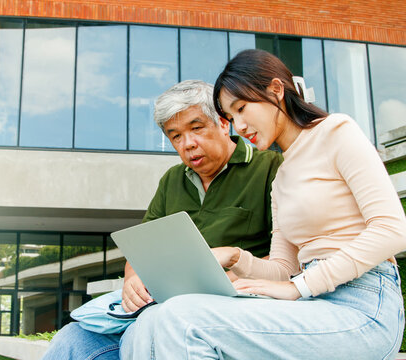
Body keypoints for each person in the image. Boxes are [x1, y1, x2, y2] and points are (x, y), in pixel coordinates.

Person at [120, 49, 406, 359]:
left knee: (183, 320)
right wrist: (234, 256)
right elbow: (284, 270)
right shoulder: (281, 178)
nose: (239, 126)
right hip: (313, 304)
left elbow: (392, 229)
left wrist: (301, 286)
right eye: (231, 117)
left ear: (276, 90)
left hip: (364, 305)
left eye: (242, 108)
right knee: (153, 319)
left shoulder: (336, 132)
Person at [41, 79, 283, 359]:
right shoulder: (172, 180)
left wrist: (226, 277)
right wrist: (132, 281)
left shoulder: (269, 168)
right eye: (176, 136)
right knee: (72, 339)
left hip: (230, 307)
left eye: (196, 128)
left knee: (144, 333)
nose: (188, 144)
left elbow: (287, 257)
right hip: (165, 304)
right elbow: (142, 250)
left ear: (223, 123)